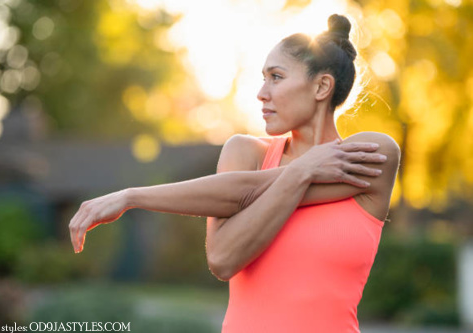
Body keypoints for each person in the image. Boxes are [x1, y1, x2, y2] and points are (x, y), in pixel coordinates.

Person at [69, 14, 400, 332]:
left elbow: (244, 191)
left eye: (276, 77)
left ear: (321, 87)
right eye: (263, 77)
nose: (261, 92)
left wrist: (299, 172)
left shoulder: (373, 155)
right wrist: (302, 171)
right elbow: (224, 259)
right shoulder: (246, 153)